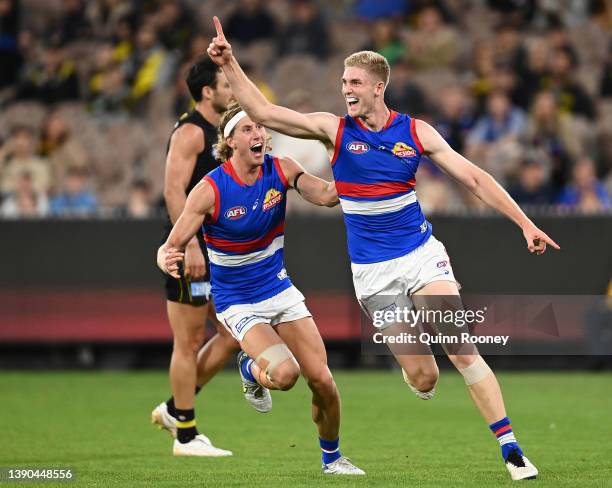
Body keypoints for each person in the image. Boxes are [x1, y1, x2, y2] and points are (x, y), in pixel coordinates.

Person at [208, 16, 562, 480]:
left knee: (460, 345)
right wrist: (231, 63)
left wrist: (524, 223)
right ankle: (263, 369)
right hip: (374, 275)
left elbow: (473, 177)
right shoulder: (334, 130)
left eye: (354, 82)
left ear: (378, 87)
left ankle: (511, 448)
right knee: (425, 378)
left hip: (421, 255)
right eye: (342, 82)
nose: (346, 89)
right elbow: (268, 113)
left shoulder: (415, 133)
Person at [157, 102, 365, 475]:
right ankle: (250, 370)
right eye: (249, 129)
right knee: (285, 376)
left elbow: (325, 195)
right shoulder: (210, 190)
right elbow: (169, 247)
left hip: (279, 289)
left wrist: (357, 171)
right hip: (237, 301)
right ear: (230, 141)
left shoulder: (281, 169)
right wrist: (166, 259)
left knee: (323, 380)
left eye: (261, 129)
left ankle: (332, 460)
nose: (260, 135)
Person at [150, 57, 239, 457]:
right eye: (225, 84)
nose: (231, 90)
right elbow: (173, 190)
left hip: (216, 254)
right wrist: (187, 246)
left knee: (234, 333)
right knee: (187, 342)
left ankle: (174, 408)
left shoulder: (219, 130)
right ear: (208, 92)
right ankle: (185, 435)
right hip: (190, 252)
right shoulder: (191, 131)